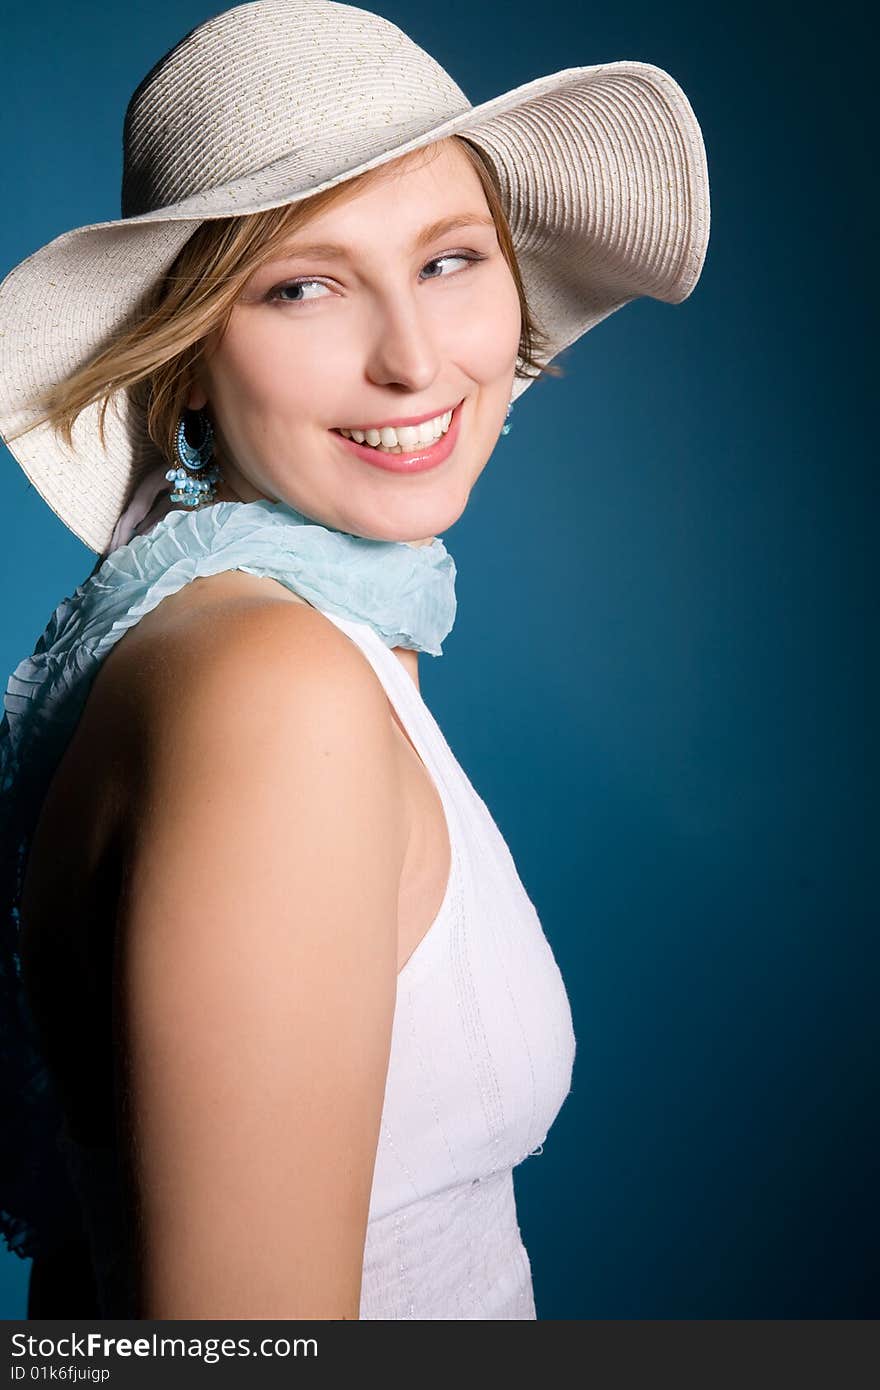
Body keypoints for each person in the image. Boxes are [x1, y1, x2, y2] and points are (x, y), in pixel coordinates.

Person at [0, 0, 710, 1319]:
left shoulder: (281, 628)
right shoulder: (273, 691)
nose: (413, 358)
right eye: (302, 285)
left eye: (449, 260)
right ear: (190, 355)